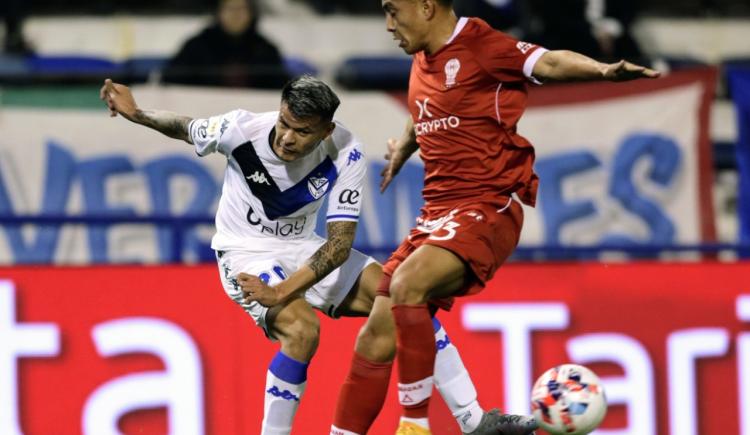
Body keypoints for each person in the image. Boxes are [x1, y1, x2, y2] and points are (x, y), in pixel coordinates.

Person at [100, 75, 510, 435]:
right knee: (302, 331)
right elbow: (187, 127)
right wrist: (137, 114)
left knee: (404, 297)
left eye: (301, 131)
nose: (286, 138)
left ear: (326, 130)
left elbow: (338, 245)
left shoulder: (345, 150)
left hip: (306, 246)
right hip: (245, 253)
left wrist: (283, 291)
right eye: (284, 123)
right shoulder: (241, 129)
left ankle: (474, 420)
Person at [330, 1, 660, 434]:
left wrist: (601, 71)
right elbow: (426, 113)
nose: (388, 24)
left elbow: (550, 60)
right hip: (436, 213)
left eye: (394, 11)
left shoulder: (483, 45)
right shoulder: (421, 59)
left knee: (409, 284)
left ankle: (414, 424)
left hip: (487, 206)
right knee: (375, 334)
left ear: (427, 6)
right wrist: (404, 149)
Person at [162, 0, 289, 88]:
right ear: (218, 13)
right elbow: (170, 80)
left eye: (241, 9)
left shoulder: (265, 49)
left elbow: (280, 88)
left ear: (251, 14)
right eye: (230, 9)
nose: (236, 15)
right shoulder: (196, 46)